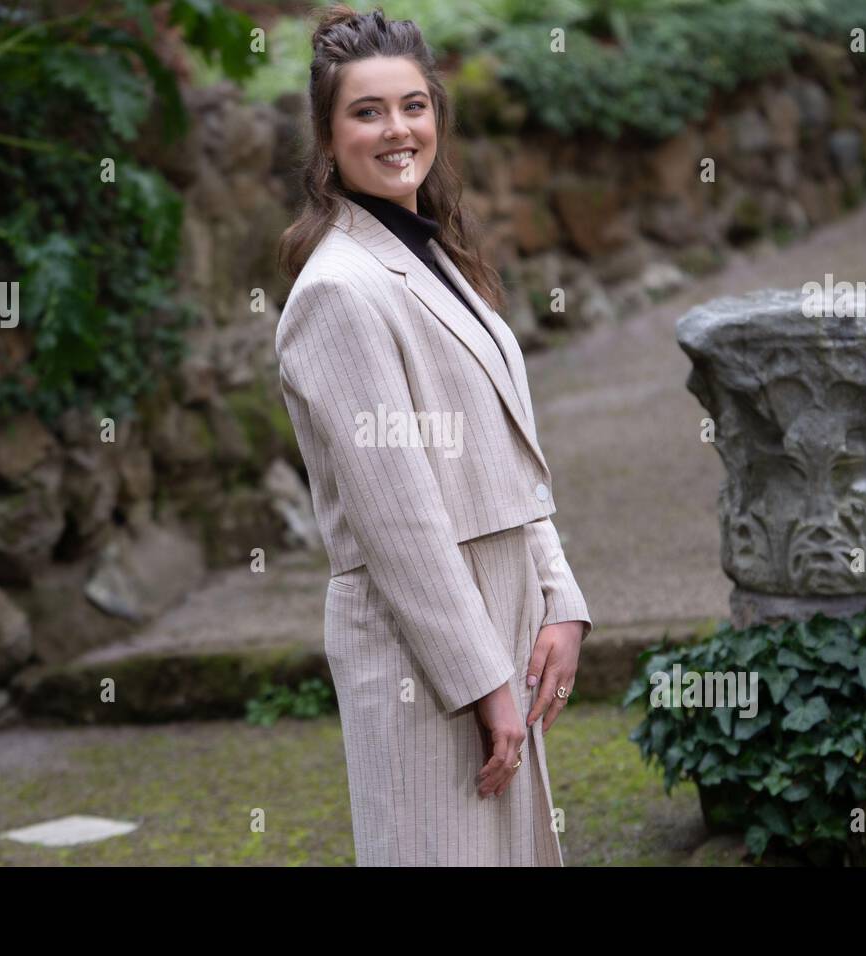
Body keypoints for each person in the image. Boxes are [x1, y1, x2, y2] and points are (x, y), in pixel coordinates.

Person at [274, 4, 593, 867]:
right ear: (328, 135)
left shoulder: (429, 252)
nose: (397, 130)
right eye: (366, 111)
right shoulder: (339, 289)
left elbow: (506, 451)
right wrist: (483, 681)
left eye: (413, 105)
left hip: (499, 614)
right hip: (423, 649)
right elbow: (400, 518)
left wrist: (559, 596)